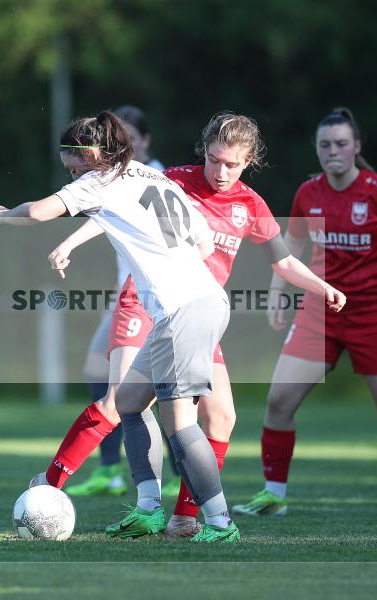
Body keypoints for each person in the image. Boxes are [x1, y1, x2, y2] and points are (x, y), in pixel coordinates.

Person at [38, 112, 347, 538]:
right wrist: (71, 240)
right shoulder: (176, 180)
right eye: (215, 160)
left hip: (193, 313)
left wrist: (319, 286)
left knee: (220, 418)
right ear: (204, 151)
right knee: (124, 403)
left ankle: (186, 517)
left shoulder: (250, 205)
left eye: (232, 164)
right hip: (145, 304)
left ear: (249, 161)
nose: (221, 172)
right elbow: (110, 208)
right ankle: (52, 489)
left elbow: (284, 260)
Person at [0, 111, 242, 542]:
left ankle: (220, 524)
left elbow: (38, 213)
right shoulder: (152, 176)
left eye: (74, 168)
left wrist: (2, 215)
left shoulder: (98, 181)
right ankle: (148, 510)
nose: (72, 177)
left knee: (180, 424)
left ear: (92, 158)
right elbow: (203, 242)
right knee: (128, 400)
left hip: (183, 311)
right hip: (194, 304)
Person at [232, 107, 377, 520]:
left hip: (375, 314)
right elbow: (286, 247)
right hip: (319, 311)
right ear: (317, 149)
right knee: (279, 402)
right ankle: (274, 495)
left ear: (356, 147)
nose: (333, 151)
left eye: (342, 143)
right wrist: (277, 292)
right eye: (325, 145)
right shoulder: (309, 193)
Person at [69, 105, 170, 499]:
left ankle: (169, 476)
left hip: (153, 295)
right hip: (125, 293)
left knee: (158, 388)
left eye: (129, 136)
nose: (121, 144)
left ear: (144, 141)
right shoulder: (114, 177)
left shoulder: (155, 176)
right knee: (100, 371)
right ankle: (109, 470)